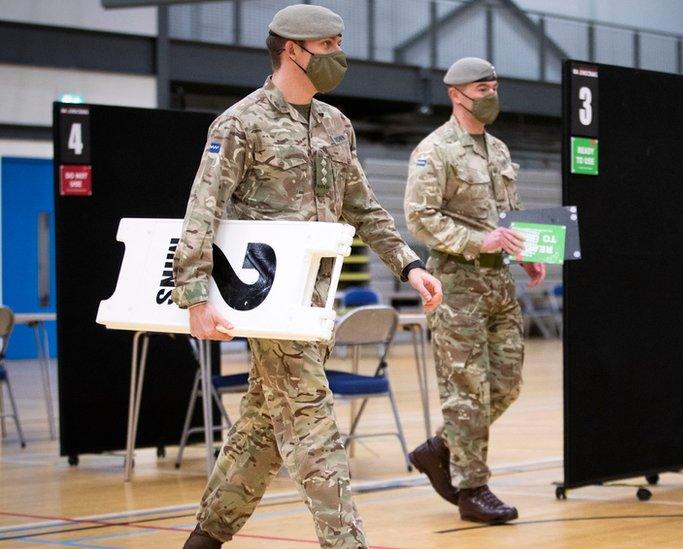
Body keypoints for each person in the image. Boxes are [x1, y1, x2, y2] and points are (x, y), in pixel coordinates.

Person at [173, 5, 442, 548]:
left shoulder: (335, 125)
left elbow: (363, 207)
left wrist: (409, 265)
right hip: (265, 302)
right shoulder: (239, 124)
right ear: (292, 50)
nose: (339, 56)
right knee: (314, 428)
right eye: (329, 45)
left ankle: (205, 538)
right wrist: (195, 296)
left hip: (315, 303)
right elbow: (204, 209)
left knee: (263, 428)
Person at [403, 57, 546, 524]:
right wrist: (475, 240)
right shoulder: (435, 149)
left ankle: (438, 448)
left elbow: (509, 213)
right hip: (456, 282)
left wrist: (526, 250)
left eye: (493, 87)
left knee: (505, 384)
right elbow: (420, 217)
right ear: (456, 94)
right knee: (466, 390)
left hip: (498, 281)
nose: (490, 95)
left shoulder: (499, 151)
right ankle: (473, 490)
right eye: (481, 89)